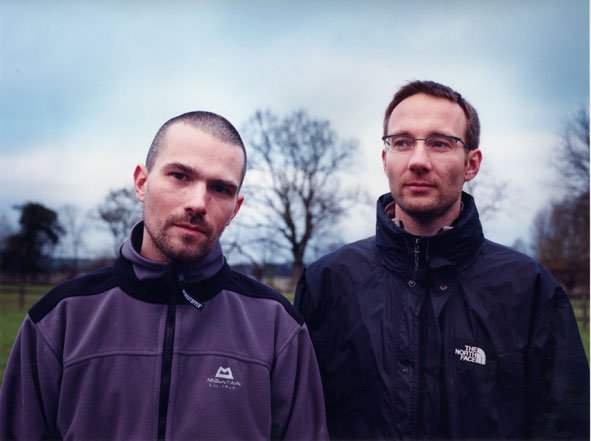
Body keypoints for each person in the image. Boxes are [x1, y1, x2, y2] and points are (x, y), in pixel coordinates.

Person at [0, 111, 328, 441]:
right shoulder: (58, 320)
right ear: (142, 183)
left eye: (220, 188)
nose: (198, 203)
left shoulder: (277, 327)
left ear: (235, 208)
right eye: (180, 176)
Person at [295, 80, 589, 440]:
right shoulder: (327, 282)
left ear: (471, 164)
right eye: (402, 142)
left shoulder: (529, 290)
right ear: (385, 159)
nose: (418, 161)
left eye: (439, 143)